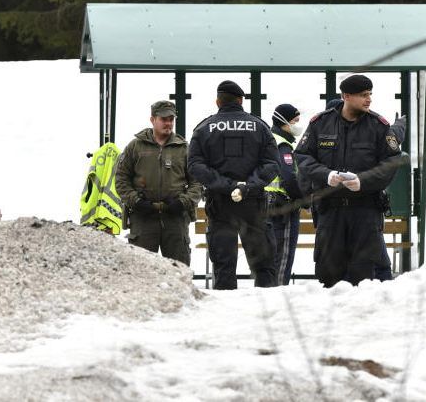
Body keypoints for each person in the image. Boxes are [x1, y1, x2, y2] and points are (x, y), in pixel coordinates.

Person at [295, 75, 402, 287]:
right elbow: (303, 156)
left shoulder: (378, 126)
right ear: (346, 96)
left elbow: (391, 161)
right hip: (330, 211)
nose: (369, 99)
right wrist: (326, 175)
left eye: (370, 94)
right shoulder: (320, 123)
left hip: (365, 211)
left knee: (363, 274)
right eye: (363, 95)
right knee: (329, 273)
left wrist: (363, 180)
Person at [187, 80, 280, 289]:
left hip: (220, 204)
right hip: (253, 204)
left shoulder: (204, 128)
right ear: (240, 100)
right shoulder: (260, 127)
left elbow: (195, 165)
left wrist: (227, 185)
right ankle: (268, 315)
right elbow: (272, 164)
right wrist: (248, 185)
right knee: (264, 266)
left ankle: (225, 315)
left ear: (218, 101)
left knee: (223, 265)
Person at [115, 100, 202, 265]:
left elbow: (197, 182)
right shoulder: (135, 147)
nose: (168, 123)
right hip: (143, 218)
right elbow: (121, 178)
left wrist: (182, 202)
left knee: (179, 270)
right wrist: (137, 201)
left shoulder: (184, 148)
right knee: (141, 271)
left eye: (171, 119)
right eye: (163, 119)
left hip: (175, 219)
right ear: (152, 120)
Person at [265, 103, 304, 285]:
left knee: (270, 258)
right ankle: (278, 296)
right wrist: (304, 200)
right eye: (295, 121)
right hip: (283, 208)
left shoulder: (269, 138)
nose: (298, 124)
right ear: (284, 122)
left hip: (266, 206)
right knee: (283, 257)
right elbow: (288, 178)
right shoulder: (282, 145)